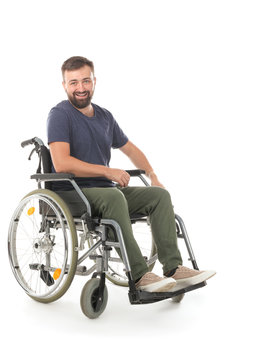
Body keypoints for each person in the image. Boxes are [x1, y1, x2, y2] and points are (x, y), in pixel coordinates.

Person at [47, 56, 215, 293]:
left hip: (104, 191)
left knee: (158, 196)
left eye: (85, 81)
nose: (81, 88)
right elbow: (62, 163)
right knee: (114, 196)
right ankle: (139, 275)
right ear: (64, 85)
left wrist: (153, 174)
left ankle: (173, 268)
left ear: (94, 81)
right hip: (73, 193)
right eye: (73, 83)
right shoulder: (60, 114)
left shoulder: (105, 117)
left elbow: (131, 149)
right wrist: (107, 171)